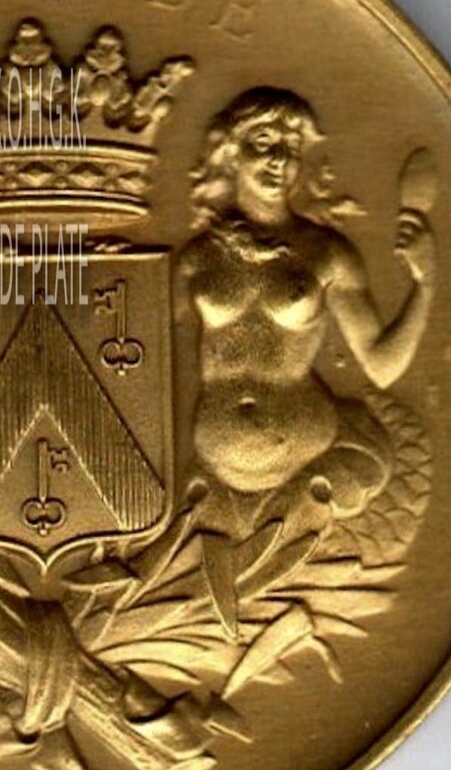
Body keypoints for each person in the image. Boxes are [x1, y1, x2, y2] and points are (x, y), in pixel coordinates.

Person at [177, 87, 435, 538]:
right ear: (232, 152)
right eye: (263, 143)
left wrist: (425, 283)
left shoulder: (327, 253)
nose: (279, 159)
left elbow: (382, 366)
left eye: (291, 148)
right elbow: (156, 362)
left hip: (308, 463)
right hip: (212, 469)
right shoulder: (197, 257)